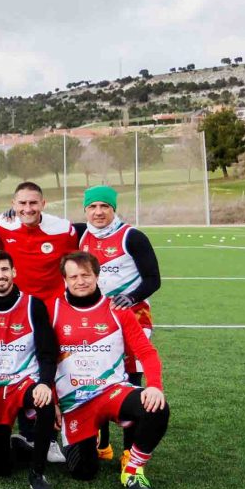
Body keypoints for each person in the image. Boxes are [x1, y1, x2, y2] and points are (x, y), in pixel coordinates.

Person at [52, 252, 169, 489]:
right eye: (73, 276)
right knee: (84, 473)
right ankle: (90, 436)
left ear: (97, 276)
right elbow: (45, 360)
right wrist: (54, 400)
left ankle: (134, 468)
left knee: (156, 407)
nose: (80, 281)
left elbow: (146, 352)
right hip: (74, 403)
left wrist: (154, 386)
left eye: (86, 275)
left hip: (111, 392)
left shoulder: (117, 309)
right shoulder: (52, 309)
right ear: (65, 279)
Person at [75, 185, 162, 460]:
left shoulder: (132, 237)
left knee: (130, 379)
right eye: (93, 207)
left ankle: (128, 450)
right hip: (96, 318)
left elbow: (153, 279)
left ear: (114, 208)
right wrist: (11, 217)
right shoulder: (79, 233)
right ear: (85, 209)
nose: (98, 212)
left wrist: (132, 296)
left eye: (105, 206)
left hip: (132, 317)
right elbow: (42, 225)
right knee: (96, 376)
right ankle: (103, 443)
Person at [0, 251, 58, 489]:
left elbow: (48, 352)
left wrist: (45, 383)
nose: (0, 276)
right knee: (1, 468)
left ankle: (37, 473)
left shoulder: (33, 305)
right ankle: (18, 443)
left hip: (23, 381)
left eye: (4, 270)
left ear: (14, 272)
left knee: (45, 400)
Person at [0, 182, 77, 301]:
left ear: (43, 204)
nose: (28, 209)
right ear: (13, 204)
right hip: (18, 302)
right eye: (22, 203)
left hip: (53, 301)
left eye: (33, 203)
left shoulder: (63, 229)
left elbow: (74, 265)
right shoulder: (3, 225)